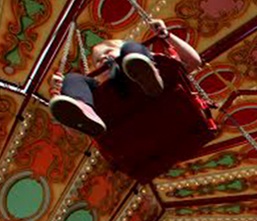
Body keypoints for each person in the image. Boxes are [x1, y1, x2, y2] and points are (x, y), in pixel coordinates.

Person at [49, 18, 202, 136]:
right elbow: (74, 131)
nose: (103, 58)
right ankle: (84, 108)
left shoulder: (151, 59)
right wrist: (58, 90)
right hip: (125, 113)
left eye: (109, 51)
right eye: (97, 61)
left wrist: (166, 35)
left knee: (132, 47)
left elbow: (193, 62)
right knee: (72, 78)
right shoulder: (100, 93)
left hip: (162, 94)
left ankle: (148, 76)